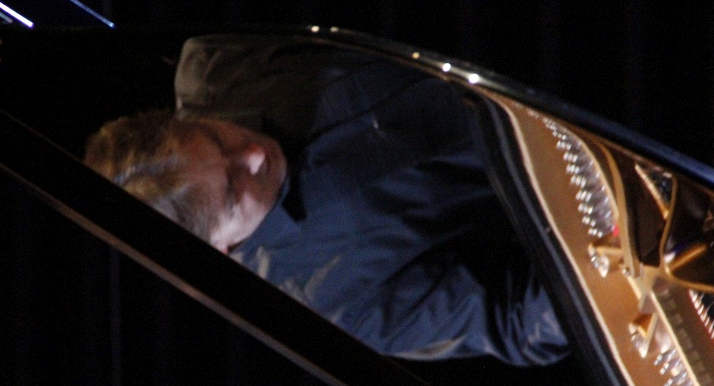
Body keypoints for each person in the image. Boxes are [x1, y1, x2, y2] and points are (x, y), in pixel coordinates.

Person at [84, 34, 569, 367]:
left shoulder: (218, 61)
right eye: (233, 189)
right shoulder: (323, 306)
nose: (253, 154)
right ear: (218, 250)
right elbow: (512, 319)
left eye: (215, 137)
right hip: (569, 166)